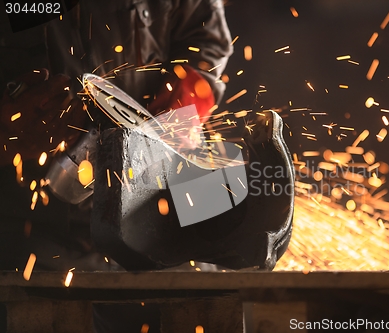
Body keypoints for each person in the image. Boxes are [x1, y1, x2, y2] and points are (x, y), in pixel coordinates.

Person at [0, 1, 233, 331]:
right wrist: (7, 135)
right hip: (29, 235)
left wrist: (179, 109)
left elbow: (207, 43)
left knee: (203, 297)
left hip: (152, 223)